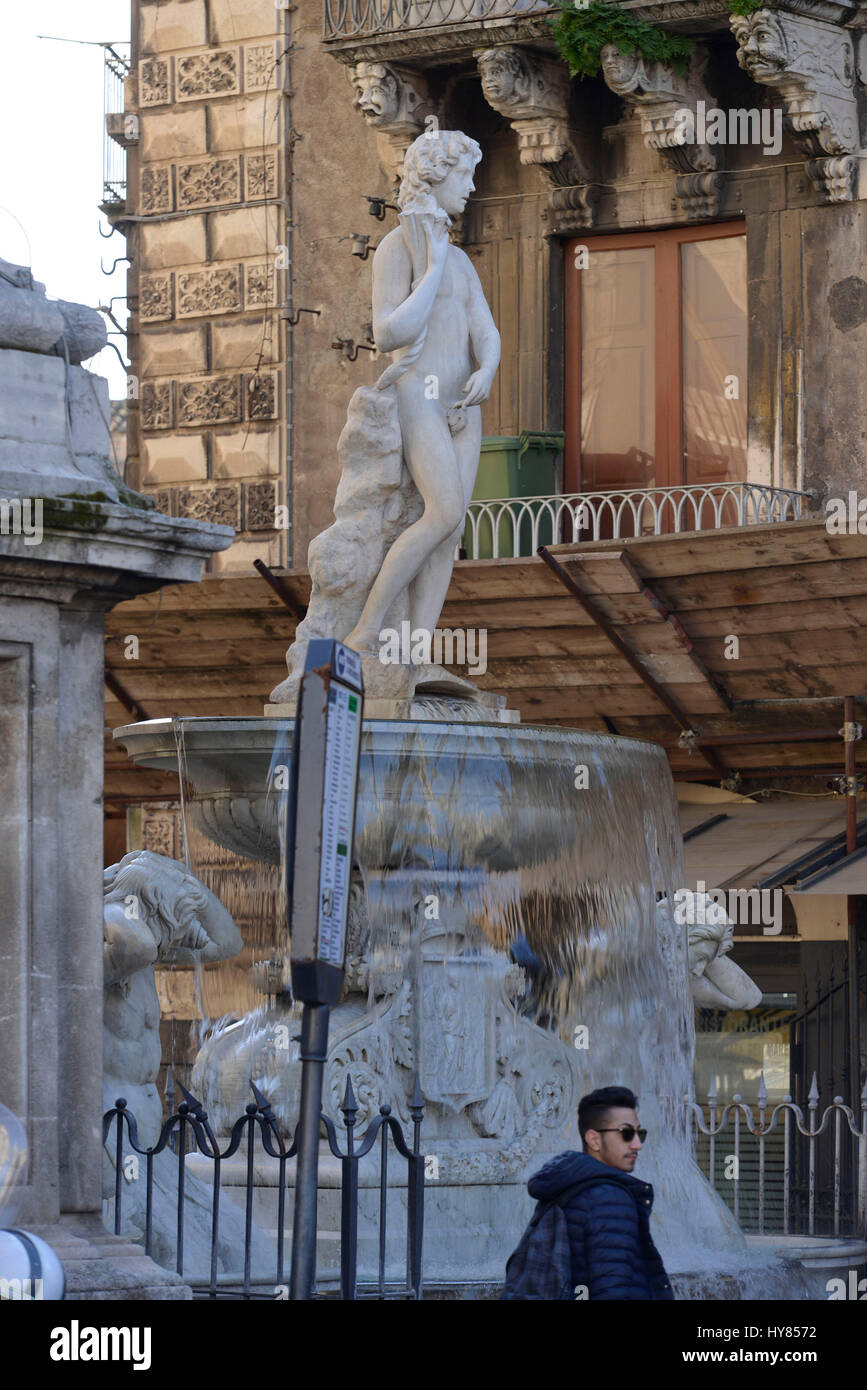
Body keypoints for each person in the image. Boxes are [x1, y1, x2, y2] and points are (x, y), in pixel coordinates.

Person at [527, 1085, 674, 1300]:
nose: (637, 1144)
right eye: (626, 1133)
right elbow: (612, 1290)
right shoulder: (610, 1199)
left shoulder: (569, 1185)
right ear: (594, 1139)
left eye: (639, 1133)